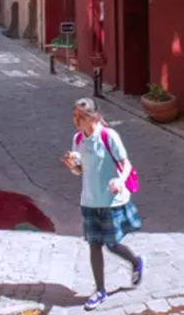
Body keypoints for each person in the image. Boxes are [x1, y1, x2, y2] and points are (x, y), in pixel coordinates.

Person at [62, 97, 144, 311]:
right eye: (75, 116)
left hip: (111, 201)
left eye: (81, 117)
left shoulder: (109, 136)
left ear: (94, 117)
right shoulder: (78, 139)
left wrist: (120, 180)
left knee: (112, 243)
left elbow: (126, 164)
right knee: (94, 244)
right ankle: (100, 290)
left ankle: (136, 261)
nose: (76, 121)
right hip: (89, 200)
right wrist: (72, 165)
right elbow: (79, 171)